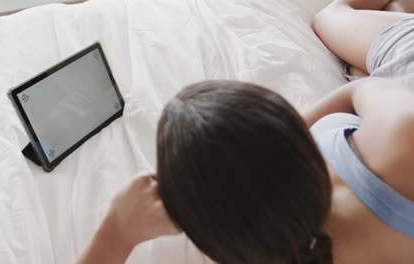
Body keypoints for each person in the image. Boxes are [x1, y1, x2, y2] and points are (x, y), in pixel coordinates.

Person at [78, 0, 414, 263]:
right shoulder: (397, 136)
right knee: (335, 16)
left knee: (361, 59)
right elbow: (366, 89)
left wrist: (118, 233)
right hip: (398, 93)